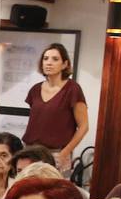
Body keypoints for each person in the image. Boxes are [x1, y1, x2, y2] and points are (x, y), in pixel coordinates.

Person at [23, 43, 90, 171]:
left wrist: (65, 152)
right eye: (45, 58)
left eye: (55, 59)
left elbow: (84, 126)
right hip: (30, 150)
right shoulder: (35, 89)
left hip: (56, 152)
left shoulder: (72, 89)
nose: (49, 63)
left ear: (64, 64)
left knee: (53, 190)